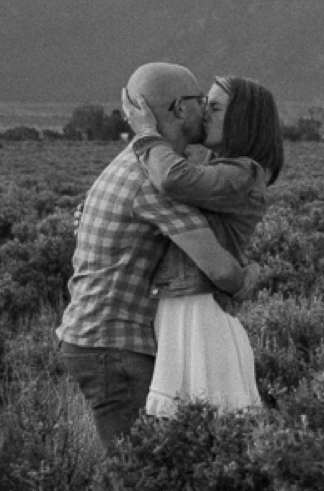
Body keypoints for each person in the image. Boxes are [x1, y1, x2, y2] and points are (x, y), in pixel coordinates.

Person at [55, 62, 256, 444]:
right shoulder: (155, 183)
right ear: (181, 109)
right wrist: (249, 276)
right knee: (140, 474)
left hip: (97, 339)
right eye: (202, 103)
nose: (206, 112)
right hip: (112, 346)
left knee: (145, 469)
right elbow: (220, 271)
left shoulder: (133, 161)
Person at [123, 74, 283, 415]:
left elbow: (172, 179)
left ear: (242, 119)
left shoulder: (243, 173)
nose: (204, 113)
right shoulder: (222, 170)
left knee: (206, 421)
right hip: (186, 305)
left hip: (200, 311)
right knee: (194, 427)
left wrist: (147, 134)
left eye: (214, 107)